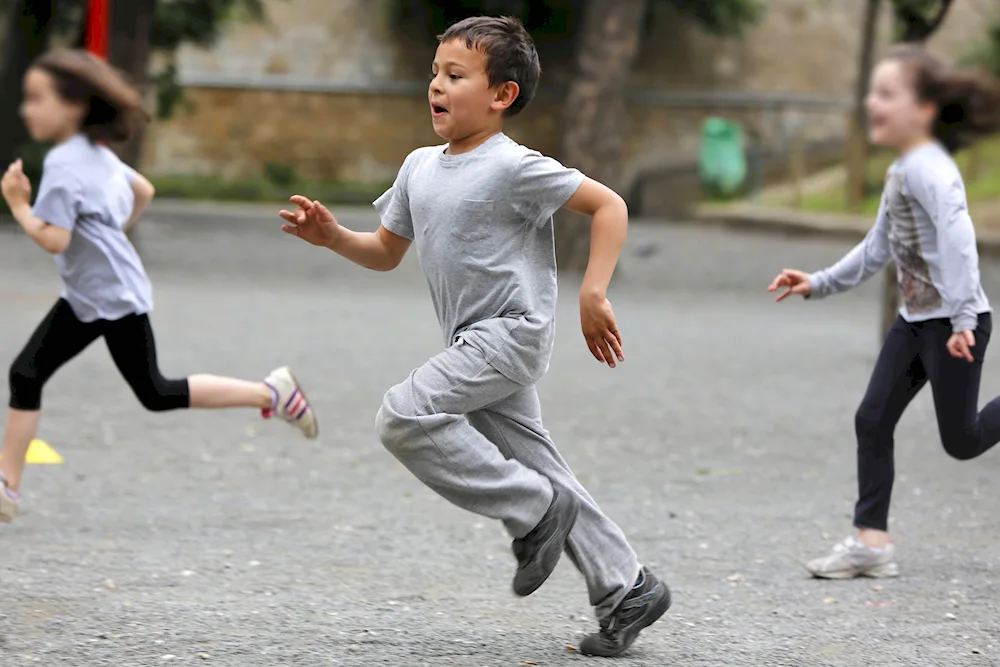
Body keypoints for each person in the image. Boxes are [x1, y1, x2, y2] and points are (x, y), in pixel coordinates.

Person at [279, 15, 669, 657]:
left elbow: (610, 206)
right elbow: (384, 251)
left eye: (454, 75)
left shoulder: (514, 167)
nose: (436, 84)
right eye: (434, 73)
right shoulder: (419, 167)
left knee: (403, 416)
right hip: (472, 341)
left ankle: (533, 509)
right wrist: (332, 237)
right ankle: (628, 586)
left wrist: (593, 291)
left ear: (501, 95)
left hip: (510, 335)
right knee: (540, 463)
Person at [0, 49, 319, 524]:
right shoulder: (95, 153)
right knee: (27, 373)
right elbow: (143, 190)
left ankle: (272, 393)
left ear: (72, 107)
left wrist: (19, 205)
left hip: (111, 299)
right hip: (97, 294)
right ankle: (7, 487)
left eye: (37, 99)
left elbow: (55, 239)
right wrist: (109, 243)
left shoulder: (66, 165)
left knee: (155, 391)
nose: (27, 110)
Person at [768, 44, 1000, 579]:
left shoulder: (930, 170)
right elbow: (880, 246)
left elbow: (960, 239)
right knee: (872, 419)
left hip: (951, 326)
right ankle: (871, 544)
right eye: (873, 92)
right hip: (916, 323)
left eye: (888, 94)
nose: (873, 103)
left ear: (924, 109)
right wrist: (818, 283)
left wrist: (965, 319)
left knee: (961, 441)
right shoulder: (903, 169)